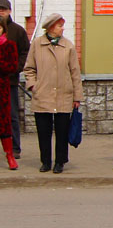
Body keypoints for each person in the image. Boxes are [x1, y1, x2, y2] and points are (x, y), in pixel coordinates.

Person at [23, 13, 83, 173]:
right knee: (44, 131)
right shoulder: (37, 44)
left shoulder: (68, 46)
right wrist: (33, 85)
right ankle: (45, 161)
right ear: (50, 28)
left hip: (64, 94)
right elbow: (29, 68)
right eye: (59, 25)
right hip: (42, 95)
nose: (63, 28)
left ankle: (60, 161)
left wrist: (77, 96)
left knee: (62, 131)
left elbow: (75, 73)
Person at [0, 0, 30, 159]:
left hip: (9, 82)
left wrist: (16, 68)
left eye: (4, 9)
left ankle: (15, 148)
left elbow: (25, 51)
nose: (1, 12)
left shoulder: (17, 31)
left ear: (9, 11)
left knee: (11, 115)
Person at [0, 19, 21, 169]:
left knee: (5, 122)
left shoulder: (9, 45)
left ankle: (10, 155)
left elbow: (12, 66)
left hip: (3, 89)